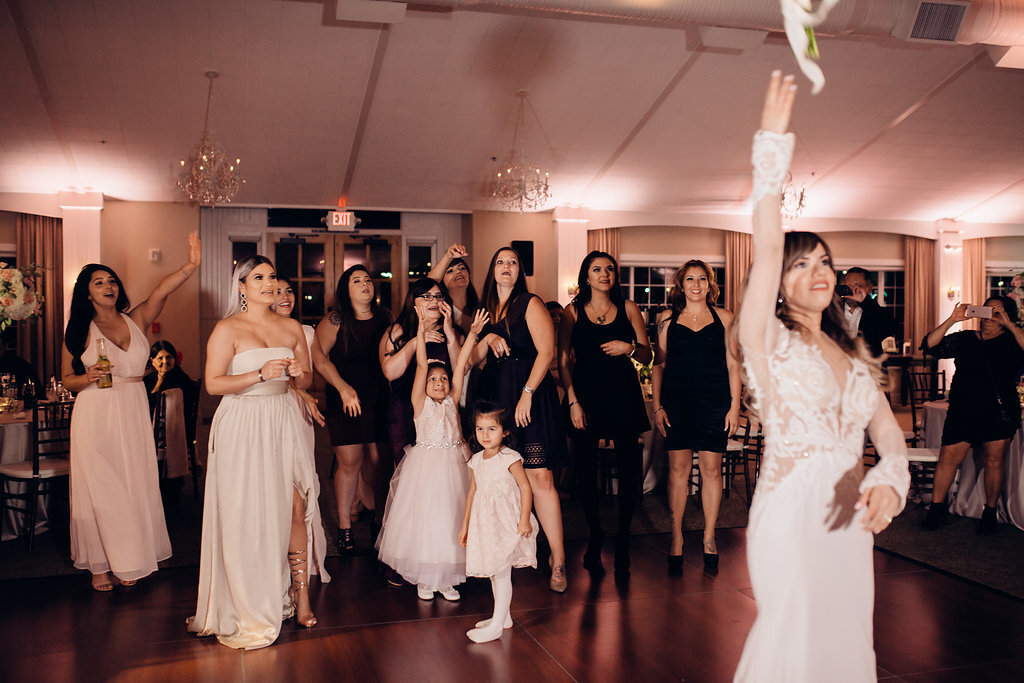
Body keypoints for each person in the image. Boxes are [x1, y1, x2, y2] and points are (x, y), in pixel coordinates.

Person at [733, 72, 909, 681]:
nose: (819, 269)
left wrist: (892, 477)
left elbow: (887, 432)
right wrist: (771, 154)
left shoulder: (856, 355)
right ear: (777, 280)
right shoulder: (767, 342)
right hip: (789, 509)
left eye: (825, 261)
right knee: (795, 635)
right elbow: (766, 240)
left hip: (847, 513)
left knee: (845, 642)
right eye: (801, 262)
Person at [189, 256, 321, 649]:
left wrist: (300, 374)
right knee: (248, 513)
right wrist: (258, 375)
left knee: (295, 506)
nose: (269, 283)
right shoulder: (228, 328)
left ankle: (301, 596)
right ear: (242, 287)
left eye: (273, 277)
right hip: (242, 422)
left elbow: (309, 375)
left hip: (282, 419)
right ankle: (247, 598)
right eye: (258, 277)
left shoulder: (291, 326)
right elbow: (213, 383)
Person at [61, 232, 200, 592]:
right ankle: (98, 566)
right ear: (86, 291)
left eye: (112, 281)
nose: (108, 286)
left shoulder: (135, 318)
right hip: (96, 412)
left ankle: (127, 558)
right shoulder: (78, 329)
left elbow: (160, 292)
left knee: (132, 486)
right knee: (102, 489)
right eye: (99, 282)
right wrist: (86, 376)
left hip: (133, 407)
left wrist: (190, 266)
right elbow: (66, 380)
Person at [474, 246, 569, 593]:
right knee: (504, 480)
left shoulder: (530, 302)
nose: (506, 267)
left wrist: (527, 392)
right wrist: (487, 334)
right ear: (492, 270)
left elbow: (547, 351)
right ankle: (508, 556)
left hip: (530, 396)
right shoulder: (485, 311)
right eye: (500, 261)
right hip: (497, 400)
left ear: (520, 271)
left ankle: (558, 560)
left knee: (540, 477)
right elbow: (471, 359)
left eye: (513, 262)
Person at [376, 307, 486, 600]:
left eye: (444, 380)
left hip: (454, 464)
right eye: (434, 380)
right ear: (424, 386)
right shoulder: (419, 404)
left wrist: (472, 334)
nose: (439, 383)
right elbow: (422, 366)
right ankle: (425, 578)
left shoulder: (451, 400)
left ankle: (447, 577)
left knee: (451, 518)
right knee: (427, 520)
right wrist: (421, 334)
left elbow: (461, 364)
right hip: (426, 468)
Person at [558, 251, 651, 575]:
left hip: (623, 394)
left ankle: (623, 536)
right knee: (585, 472)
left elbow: (648, 354)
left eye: (609, 269)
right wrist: (572, 401)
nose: (604, 274)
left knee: (629, 469)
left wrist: (629, 348)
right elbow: (563, 361)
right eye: (597, 269)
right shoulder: (572, 312)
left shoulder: (628, 308)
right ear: (586, 276)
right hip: (586, 397)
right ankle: (596, 535)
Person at [651, 259, 741, 573]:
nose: (696, 285)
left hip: (715, 402)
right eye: (690, 279)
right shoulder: (666, 319)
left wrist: (735, 406)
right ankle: (676, 537)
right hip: (677, 403)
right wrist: (657, 406)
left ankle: (709, 536)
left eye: (702, 279)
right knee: (677, 471)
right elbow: (658, 365)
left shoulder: (726, 318)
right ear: (681, 284)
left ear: (709, 284)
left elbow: (733, 366)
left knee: (711, 470)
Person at [920, 296, 1024, 534]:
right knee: (948, 457)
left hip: (999, 411)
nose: (990, 315)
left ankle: (990, 512)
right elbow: (931, 345)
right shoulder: (966, 338)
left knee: (994, 461)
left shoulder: (1011, 341)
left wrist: (1009, 324)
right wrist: (952, 320)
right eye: (988, 309)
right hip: (963, 408)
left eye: (997, 311)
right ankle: (937, 509)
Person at [314, 265, 391, 553]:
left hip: (379, 397)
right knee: (349, 463)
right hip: (344, 396)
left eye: (368, 279)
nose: (364, 284)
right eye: (356, 280)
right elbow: (319, 359)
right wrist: (343, 388)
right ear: (346, 289)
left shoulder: (386, 318)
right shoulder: (336, 320)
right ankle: (345, 528)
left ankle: (379, 524)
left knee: (379, 461)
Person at [459, 400, 539, 644]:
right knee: (495, 572)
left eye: (491, 429)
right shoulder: (476, 460)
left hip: (506, 522)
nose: (485, 434)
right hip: (486, 525)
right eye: (480, 429)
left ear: (505, 431)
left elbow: (526, 488)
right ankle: (503, 618)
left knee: (502, 572)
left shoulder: (510, 458)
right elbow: (472, 492)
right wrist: (465, 525)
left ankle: (496, 625)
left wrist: (525, 519)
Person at [273, 277, 331, 580]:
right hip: (267, 414)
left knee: (302, 482)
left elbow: (313, 371)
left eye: (289, 291)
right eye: (278, 291)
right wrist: (301, 392)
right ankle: (274, 559)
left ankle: (305, 561)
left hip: (297, 415)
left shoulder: (305, 332)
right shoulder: (254, 330)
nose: (285, 297)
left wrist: (341, 388)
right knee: (273, 484)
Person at [144, 340, 198, 516]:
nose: (165, 362)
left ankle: (168, 490)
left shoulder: (181, 379)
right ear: (152, 360)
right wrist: (158, 381)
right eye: (160, 358)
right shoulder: (147, 381)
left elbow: (187, 410)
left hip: (176, 432)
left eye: (169, 357)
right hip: (150, 431)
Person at [840, 267, 900, 357]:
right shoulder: (833, 311)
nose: (852, 290)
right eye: (848, 286)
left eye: (858, 286)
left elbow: (891, 331)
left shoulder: (878, 313)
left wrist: (865, 301)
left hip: (868, 367)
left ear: (869, 289)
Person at [428, 243, 480, 334]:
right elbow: (427, 284)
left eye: (462, 268)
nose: (458, 272)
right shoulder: (441, 310)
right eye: (450, 271)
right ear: (442, 280)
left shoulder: (479, 307)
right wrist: (448, 256)